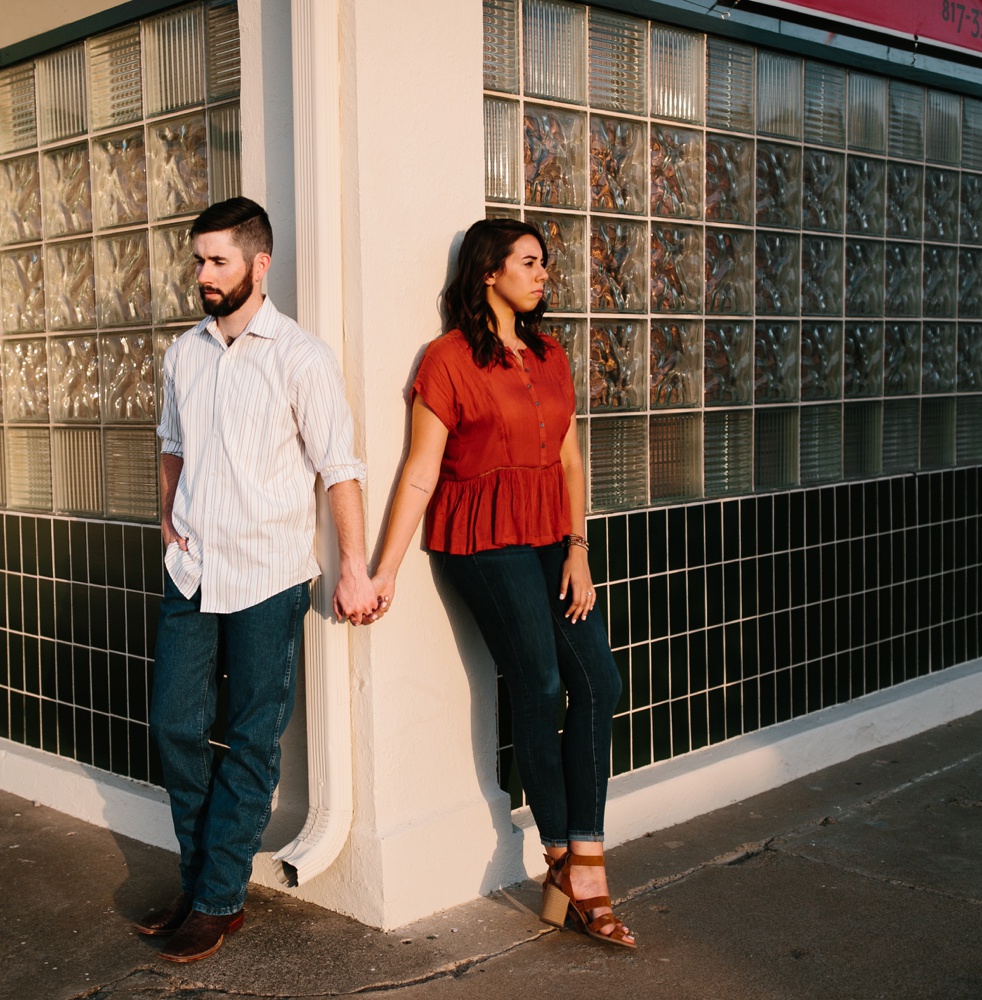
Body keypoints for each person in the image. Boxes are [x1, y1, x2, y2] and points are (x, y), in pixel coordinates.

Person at [366, 218, 635, 948]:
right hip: (482, 542)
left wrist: (579, 550)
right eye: (529, 262)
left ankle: (580, 852)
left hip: (552, 537)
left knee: (599, 683)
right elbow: (422, 469)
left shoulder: (550, 354)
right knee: (541, 686)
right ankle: (571, 863)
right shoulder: (447, 360)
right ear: (489, 271)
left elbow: (572, 462)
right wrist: (384, 569)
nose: (543, 274)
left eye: (543, 264)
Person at [133, 197, 379, 963]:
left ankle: (216, 897)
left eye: (218, 262)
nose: (203, 276)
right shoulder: (184, 354)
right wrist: (168, 511)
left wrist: (355, 567)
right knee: (174, 724)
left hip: (271, 576)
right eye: (198, 261)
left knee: (251, 738)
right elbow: (171, 444)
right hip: (194, 569)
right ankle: (203, 877)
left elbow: (339, 468)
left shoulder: (300, 356)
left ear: (258, 264)